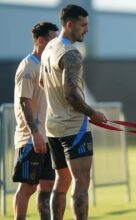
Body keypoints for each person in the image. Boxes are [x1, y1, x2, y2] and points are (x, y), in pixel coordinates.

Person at [39, 4, 107, 220]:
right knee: (81, 182)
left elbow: (43, 82)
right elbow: (71, 94)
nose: (86, 29)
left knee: (62, 180)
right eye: (83, 25)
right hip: (73, 127)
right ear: (69, 24)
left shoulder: (49, 48)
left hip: (53, 127)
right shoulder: (72, 54)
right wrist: (92, 113)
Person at [12, 21, 58, 220]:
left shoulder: (49, 65)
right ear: (41, 41)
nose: (57, 46)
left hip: (49, 137)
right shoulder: (29, 66)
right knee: (28, 186)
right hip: (31, 138)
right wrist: (34, 133)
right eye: (53, 41)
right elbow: (24, 103)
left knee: (47, 185)